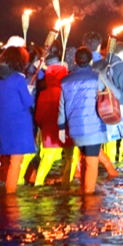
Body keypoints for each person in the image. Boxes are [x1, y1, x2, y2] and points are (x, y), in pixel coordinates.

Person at [58, 47, 122, 195]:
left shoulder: (65, 80)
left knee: (85, 159)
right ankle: (88, 199)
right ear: (90, 61)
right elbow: (116, 94)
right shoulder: (97, 77)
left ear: (75, 60)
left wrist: (61, 127)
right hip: (94, 127)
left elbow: (62, 106)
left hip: (75, 129)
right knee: (91, 163)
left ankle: (84, 192)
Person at [0, 46, 37, 194]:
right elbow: (28, 102)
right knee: (17, 160)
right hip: (19, 122)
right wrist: (29, 91)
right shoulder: (17, 79)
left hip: (3, 121)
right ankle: (10, 194)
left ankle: (9, 190)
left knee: (9, 159)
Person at [33, 54, 71, 186]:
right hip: (66, 129)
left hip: (49, 130)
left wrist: (41, 126)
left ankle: (38, 182)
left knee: (47, 158)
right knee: (70, 158)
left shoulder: (43, 93)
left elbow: (38, 116)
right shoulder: (67, 91)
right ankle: (67, 183)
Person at [104, 43, 123, 162]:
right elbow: (122, 87)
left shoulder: (102, 63)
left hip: (102, 103)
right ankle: (120, 161)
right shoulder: (122, 67)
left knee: (108, 136)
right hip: (116, 105)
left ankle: (108, 162)